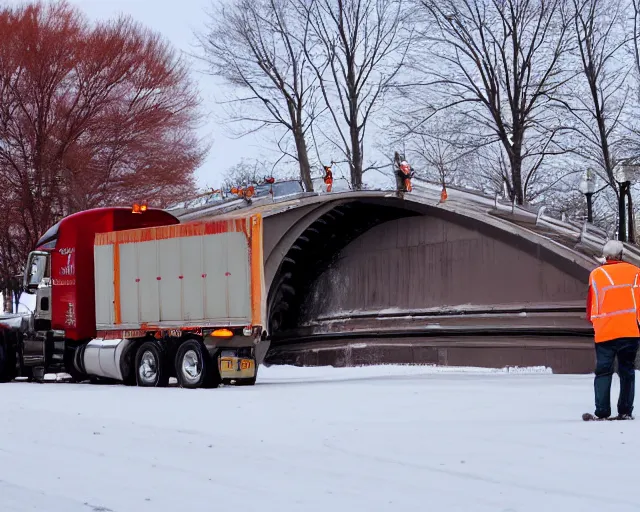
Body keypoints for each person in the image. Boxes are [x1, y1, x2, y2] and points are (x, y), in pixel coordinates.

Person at [586, 240, 640, 420]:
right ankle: (625, 411)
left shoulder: (595, 274)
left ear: (606, 255)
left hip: (604, 332)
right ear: (621, 255)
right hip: (629, 330)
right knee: (627, 371)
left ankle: (602, 411)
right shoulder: (635, 272)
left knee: (603, 372)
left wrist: (594, 322)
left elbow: (591, 304)